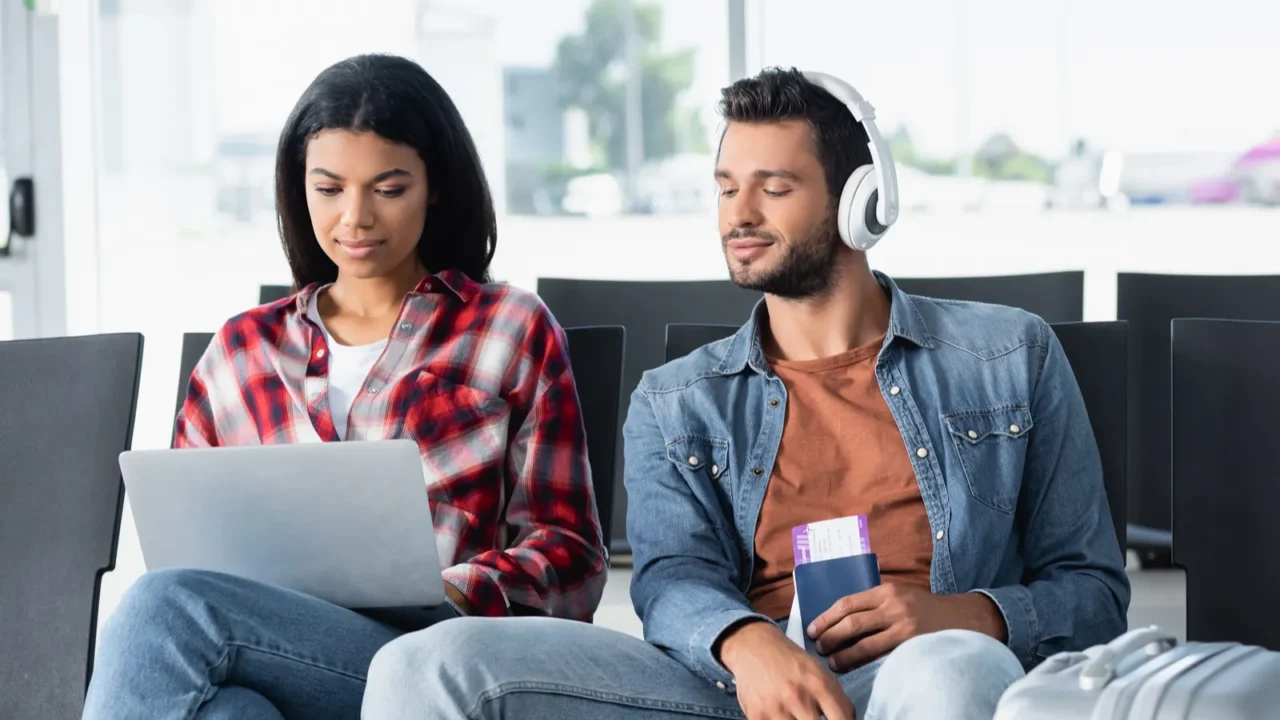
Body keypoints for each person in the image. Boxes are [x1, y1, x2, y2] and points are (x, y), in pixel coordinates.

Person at [360, 67, 1130, 719]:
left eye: (775, 187)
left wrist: (962, 616)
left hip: (921, 675)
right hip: (734, 688)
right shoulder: (675, 400)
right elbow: (670, 582)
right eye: (728, 187)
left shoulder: (1006, 354)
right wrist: (746, 643)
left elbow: (1093, 591)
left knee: (953, 668)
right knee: (424, 664)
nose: (741, 214)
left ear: (862, 202)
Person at [81, 54, 606, 720]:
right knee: (229, 712)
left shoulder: (508, 328)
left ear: (434, 185)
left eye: (387, 189)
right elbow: (188, 554)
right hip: (277, 657)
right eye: (328, 189)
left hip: (433, 663)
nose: (354, 218)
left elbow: (574, 559)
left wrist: (451, 591)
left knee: (166, 607)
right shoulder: (242, 353)